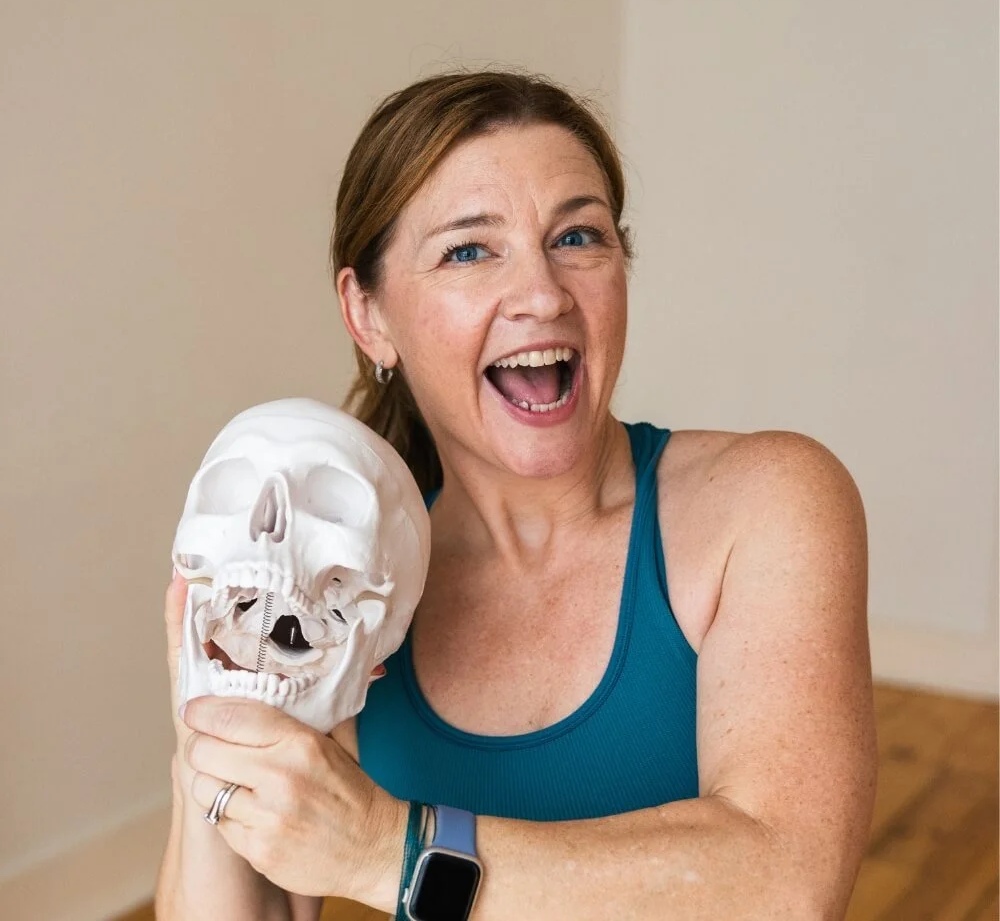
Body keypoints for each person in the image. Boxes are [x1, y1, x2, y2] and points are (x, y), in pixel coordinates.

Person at [155, 71, 876, 921]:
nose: (543, 293)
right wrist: (209, 732)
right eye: (469, 250)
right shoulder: (348, 583)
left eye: (578, 237)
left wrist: (389, 848)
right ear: (369, 315)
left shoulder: (766, 506)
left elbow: (788, 879)